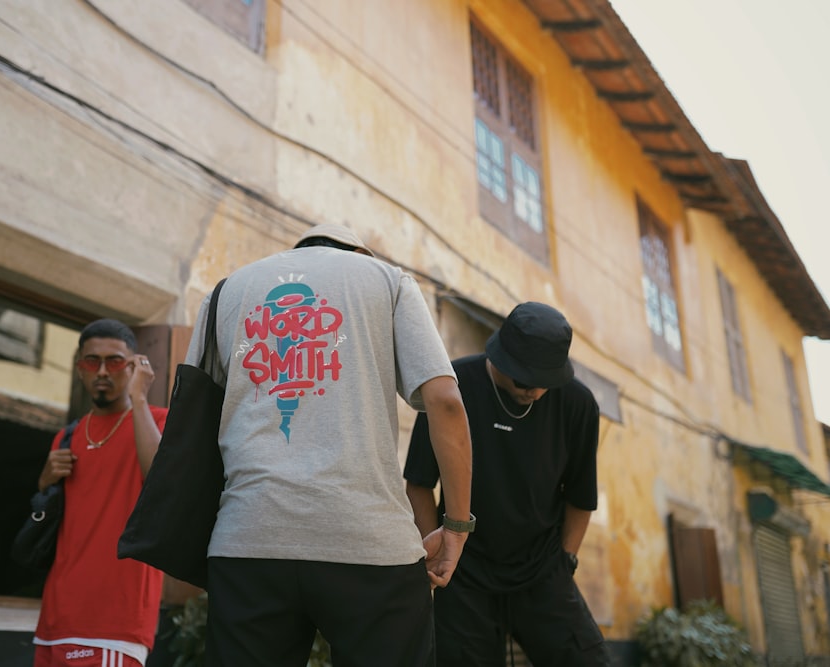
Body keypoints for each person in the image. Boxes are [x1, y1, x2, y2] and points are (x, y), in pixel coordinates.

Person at [184, 223, 473, 667]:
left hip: (249, 541)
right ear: (360, 252)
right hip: (370, 545)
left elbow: (193, 420)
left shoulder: (227, 292)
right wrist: (455, 526)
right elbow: (446, 402)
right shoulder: (387, 280)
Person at [404, 301, 610, 666]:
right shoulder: (453, 387)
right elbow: (419, 483)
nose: (533, 390)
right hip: (464, 572)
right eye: (523, 379)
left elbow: (580, 497)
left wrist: (565, 561)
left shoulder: (578, 405)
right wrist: (435, 554)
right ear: (500, 357)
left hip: (542, 569)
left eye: (544, 382)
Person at [33, 319, 169, 667]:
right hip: (53, 621)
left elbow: (161, 484)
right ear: (80, 368)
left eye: (115, 361)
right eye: (92, 362)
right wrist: (45, 482)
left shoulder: (158, 422)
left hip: (113, 624)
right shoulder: (67, 437)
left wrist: (139, 396)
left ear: (134, 365)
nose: (103, 371)